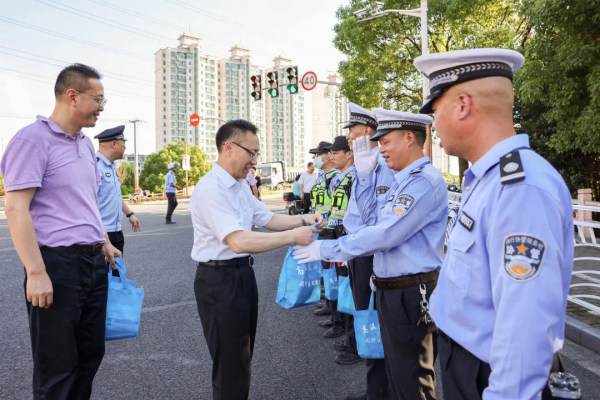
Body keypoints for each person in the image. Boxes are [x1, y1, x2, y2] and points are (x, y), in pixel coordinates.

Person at [414, 48, 575, 399]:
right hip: (466, 361)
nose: (433, 124)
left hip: (490, 373)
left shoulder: (521, 189)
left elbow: (525, 328)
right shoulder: (488, 179)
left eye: (434, 110)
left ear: (461, 105)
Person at [294, 110, 444, 400]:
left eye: (385, 142)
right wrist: (363, 176)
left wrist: (325, 248)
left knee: (413, 382)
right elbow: (370, 219)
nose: (381, 149)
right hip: (391, 287)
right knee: (398, 373)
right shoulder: (402, 179)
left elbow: (385, 234)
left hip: (411, 290)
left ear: (409, 138)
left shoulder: (422, 181)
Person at [0, 63, 121, 399]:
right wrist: (36, 272)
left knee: (88, 358)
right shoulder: (32, 140)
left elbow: (87, 203)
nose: (101, 107)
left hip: (94, 264)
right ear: (72, 96)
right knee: (57, 368)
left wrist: (105, 242)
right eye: (98, 100)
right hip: (56, 266)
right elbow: (15, 208)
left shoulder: (84, 145)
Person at [190, 119, 325, 400]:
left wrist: (303, 219)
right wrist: (293, 237)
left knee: (242, 357)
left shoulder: (239, 186)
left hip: (241, 277)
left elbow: (268, 219)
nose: (254, 161)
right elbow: (238, 241)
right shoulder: (211, 189)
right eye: (251, 152)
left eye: (256, 154)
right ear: (228, 147)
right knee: (230, 366)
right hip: (219, 281)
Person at [340, 105, 394, 399]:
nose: (348, 136)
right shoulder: (368, 164)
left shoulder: (381, 166)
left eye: (352, 130)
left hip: (370, 252)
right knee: (367, 320)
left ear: (368, 132)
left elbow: (374, 220)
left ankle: (380, 392)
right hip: (358, 250)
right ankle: (377, 389)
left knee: (374, 322)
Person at [319, 136, 355, 340]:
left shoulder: (354, 177)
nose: (331, 157)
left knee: (347, 285)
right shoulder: (340, 178)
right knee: (340, 283)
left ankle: (351, 338)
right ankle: (342, 327)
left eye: (335, 153)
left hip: (347, 239)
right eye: (329, 153)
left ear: (349, 154)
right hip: (335, 236)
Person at [94, 125, 141, 259]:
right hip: (101, 235)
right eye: (123, 142)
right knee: (103, 277)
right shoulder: (95, 166)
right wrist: (104, 239)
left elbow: (114, 195)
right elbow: (89, 204)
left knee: (116, 276)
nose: (125, 146)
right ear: (114, 143)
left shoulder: (110, 166)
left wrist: (129, 214)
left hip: (115, 231)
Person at [308, 141, 338, 317]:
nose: (316, 158)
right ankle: (329, 303)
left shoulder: (335, 177)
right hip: (321, 227)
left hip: (330, 228)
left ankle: (336, 311)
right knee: (326, 270)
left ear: (328, 155)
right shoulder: (322, 176)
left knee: (332, 271)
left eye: (318, 154)